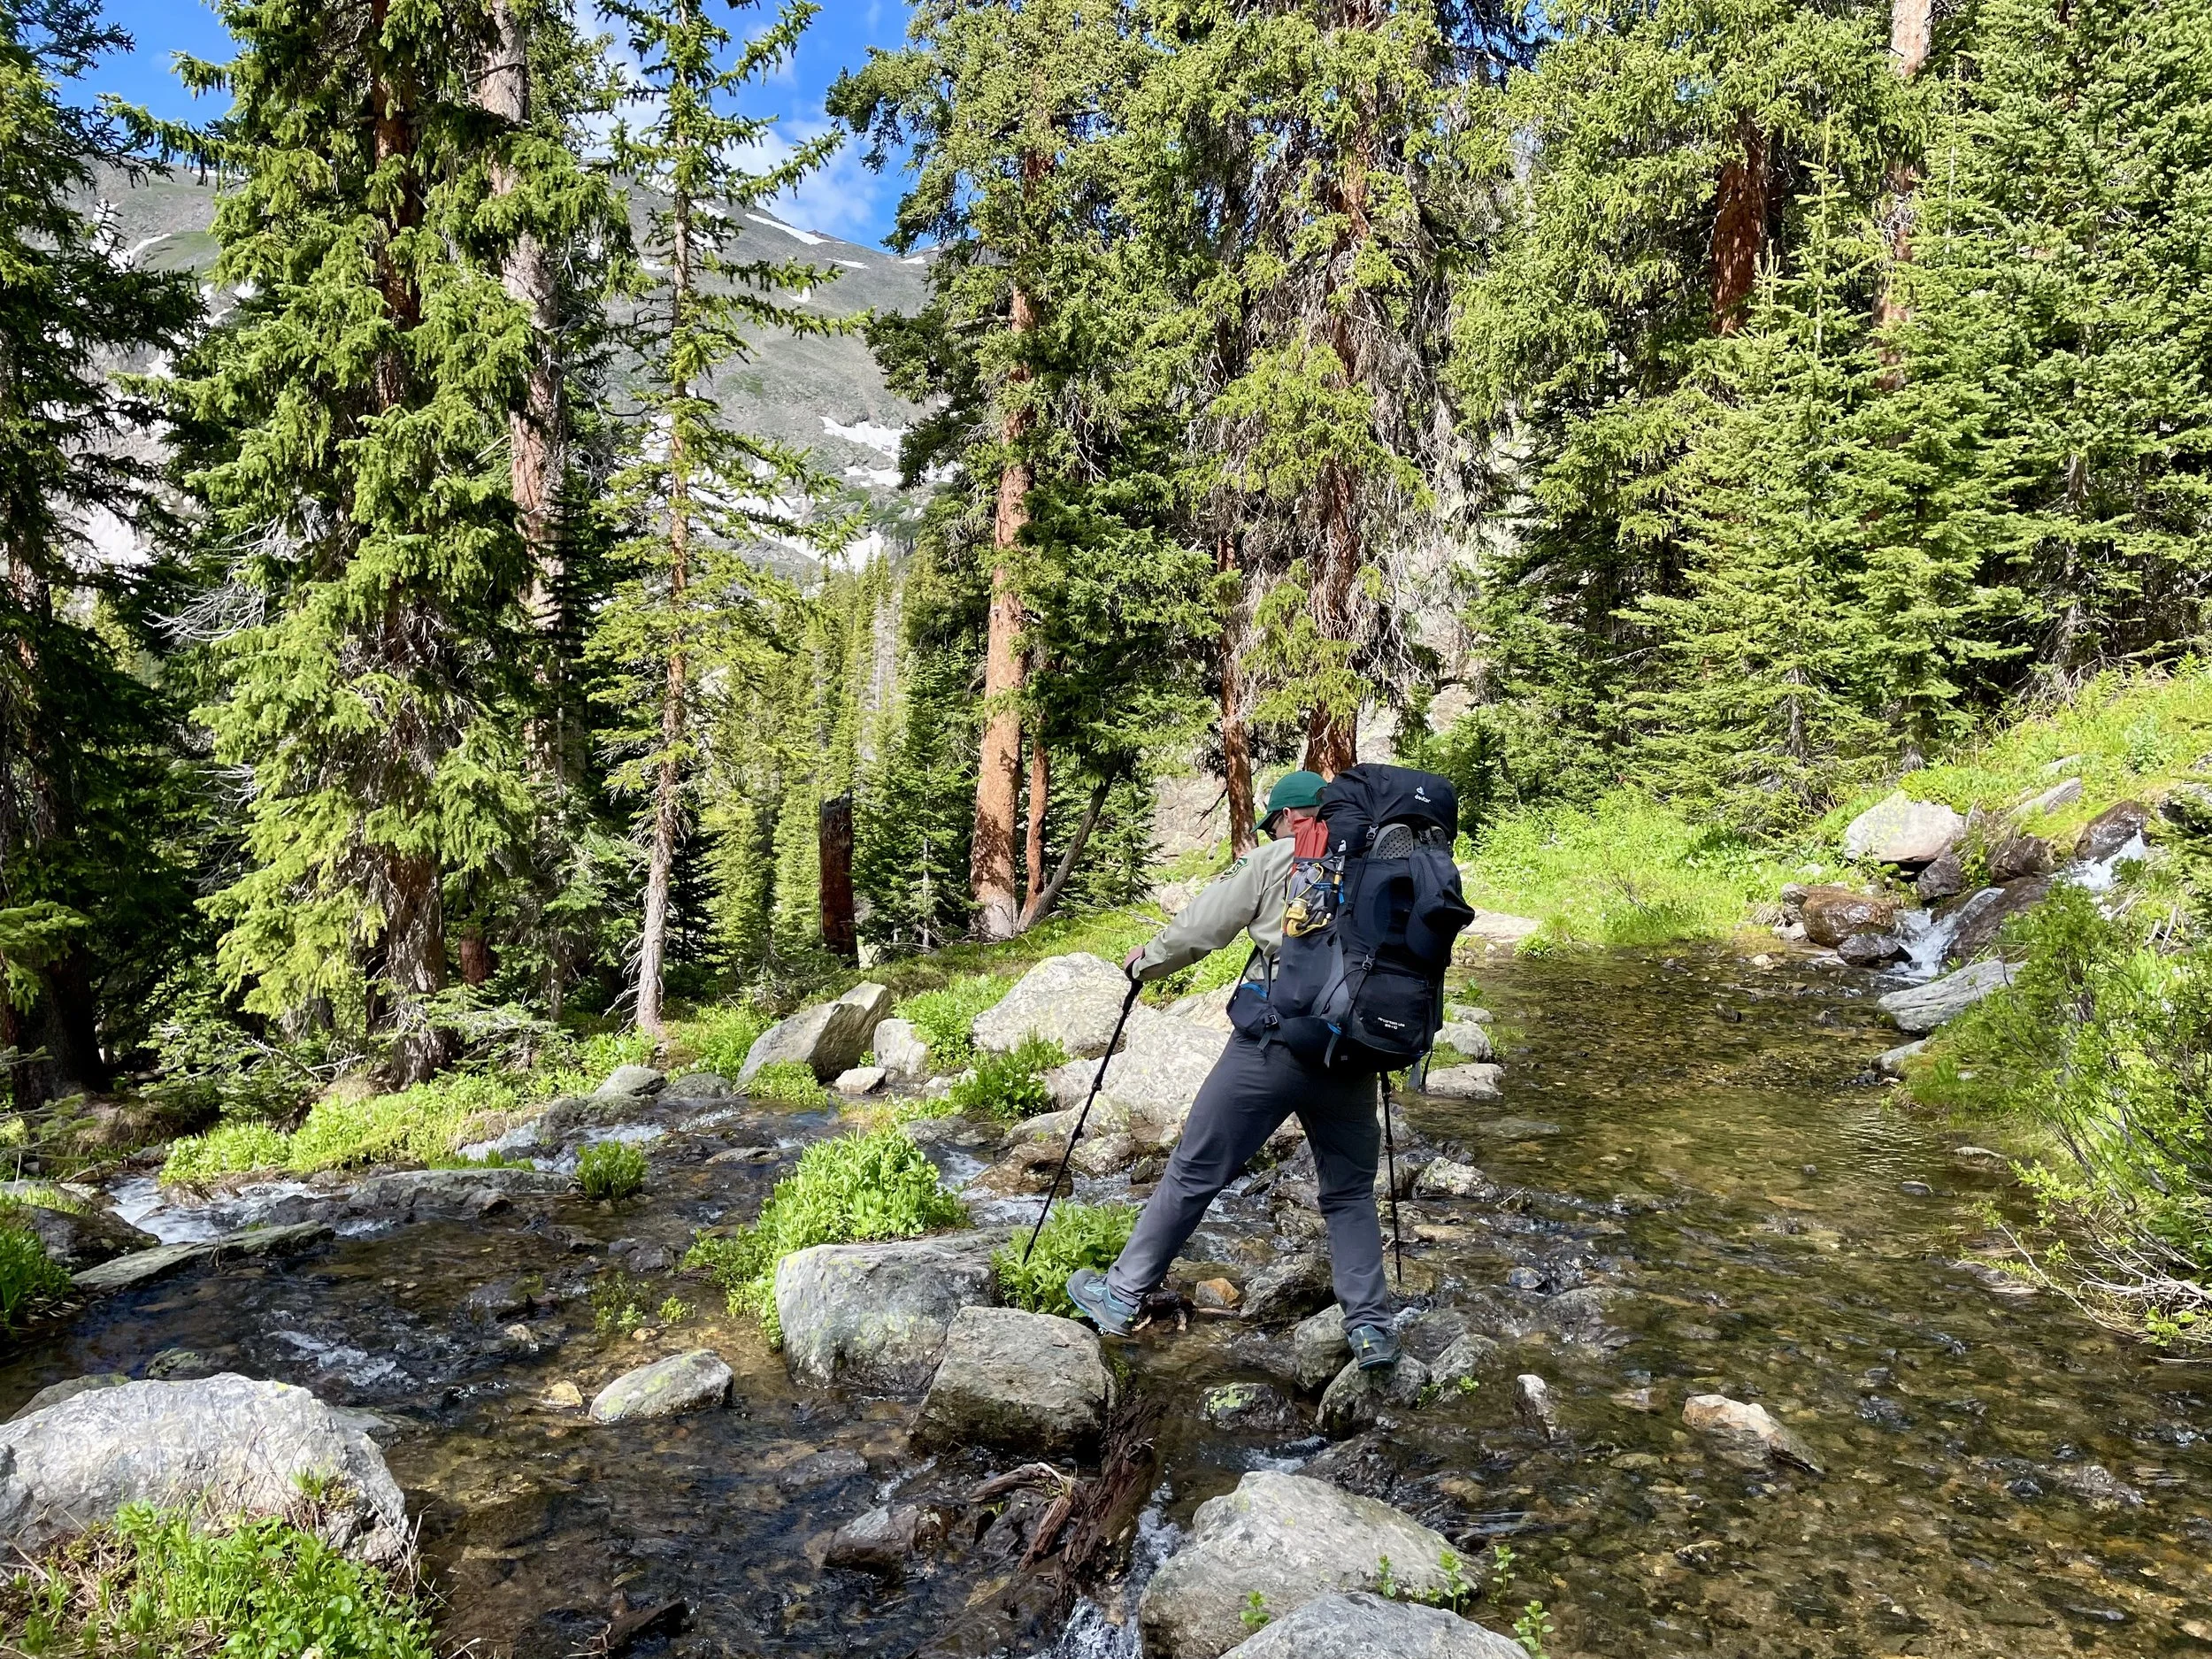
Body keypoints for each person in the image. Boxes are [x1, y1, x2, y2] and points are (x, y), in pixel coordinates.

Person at [1065, 769, 1401, 1369]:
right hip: (1351, 1055)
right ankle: (1371, 1327)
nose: (1277, 830)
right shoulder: (1380, 866)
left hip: (1271, 1048)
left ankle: (1120, 1294)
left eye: (1277, 821)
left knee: (1195, 1169)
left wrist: (1148, 963)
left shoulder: (1278, 859)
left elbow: (1203, 926)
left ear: (1293, 817)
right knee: (1349, 1192)